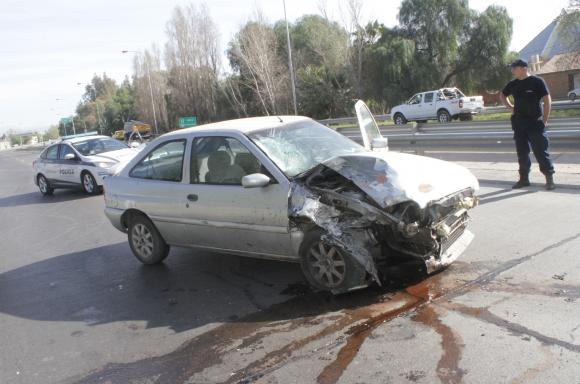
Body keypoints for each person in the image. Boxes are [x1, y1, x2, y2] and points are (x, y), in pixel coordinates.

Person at [500, 59, 555, 190]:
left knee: (541, 151)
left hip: (535, 123)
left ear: (524, 68)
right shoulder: (513, 84)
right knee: (522, 153)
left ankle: (549, 179)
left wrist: (545, 119)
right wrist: (510, 107)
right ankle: (524, 179)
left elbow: (547, 100)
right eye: (512, 68)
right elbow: (502, 94)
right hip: (519, 123)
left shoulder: (537, 81)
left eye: (514, 68)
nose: (512, 70)